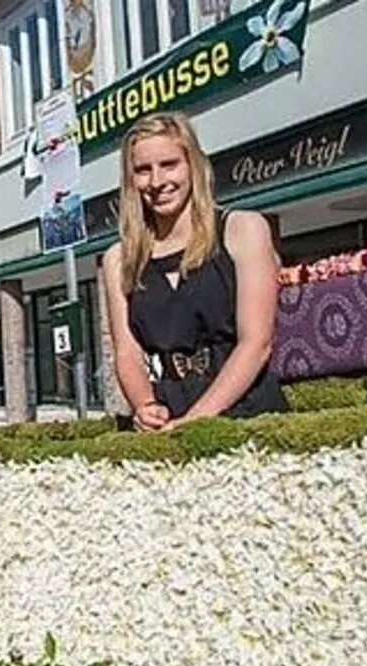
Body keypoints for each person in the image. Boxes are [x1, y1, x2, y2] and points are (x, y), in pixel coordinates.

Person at [101, 112, 288, 432]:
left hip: (247, 408)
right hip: (166, 415)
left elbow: (256, 343)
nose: (157, 182)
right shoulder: (118, 259)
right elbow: (127, 352)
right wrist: (145, 406)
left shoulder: (243, 230)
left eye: (169, 164)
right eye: (143, 170)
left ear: (193, 165)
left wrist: (194, 422)